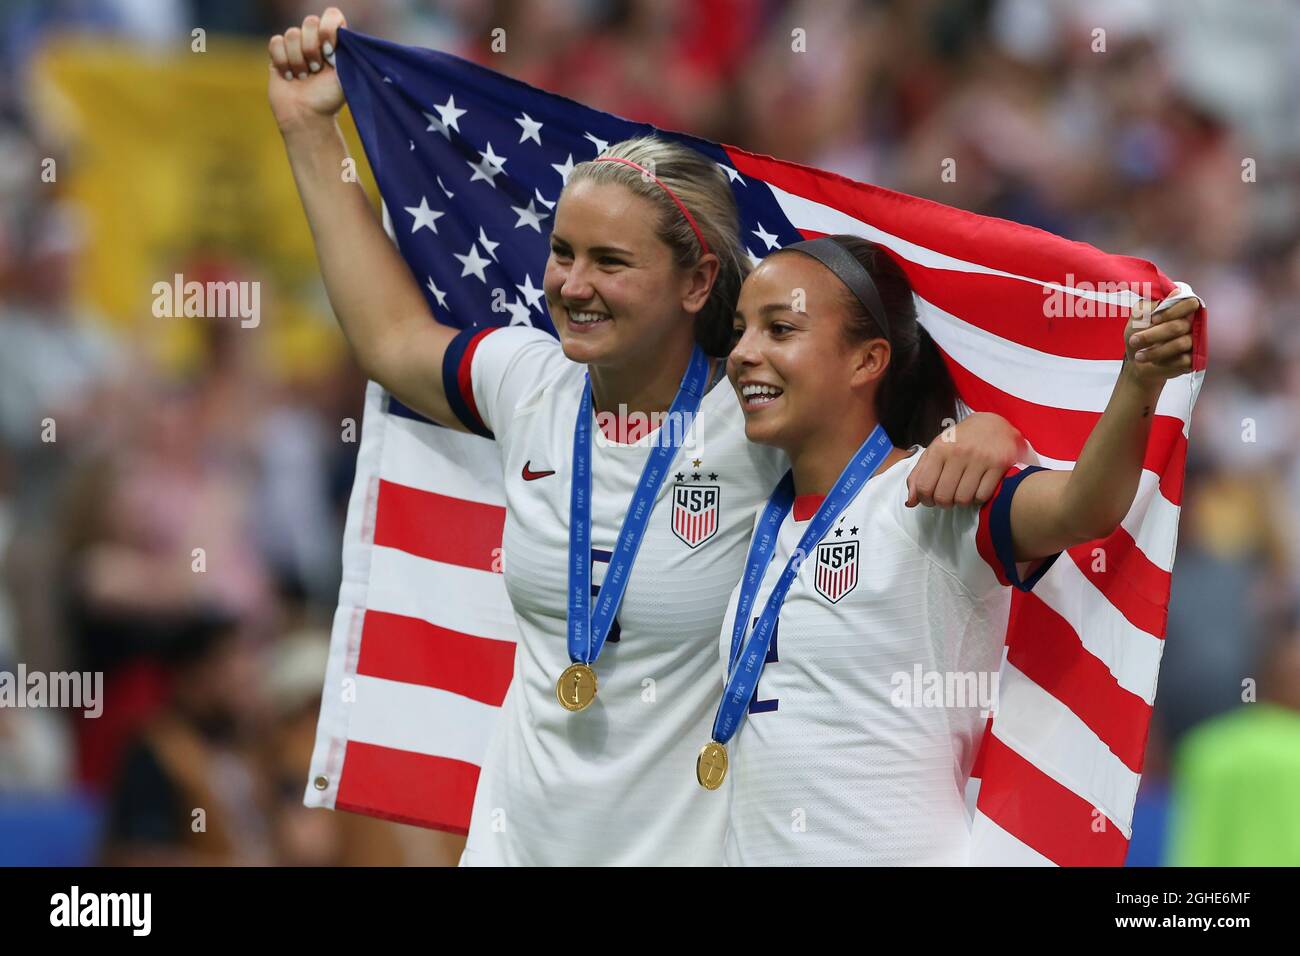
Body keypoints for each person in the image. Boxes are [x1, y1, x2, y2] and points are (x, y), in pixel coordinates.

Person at [267, 9, 1025, 865]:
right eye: (562, 252)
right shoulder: (530, 380)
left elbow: (895, 452)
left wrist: (992, 435)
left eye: (611, 262)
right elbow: (392, 340)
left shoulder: (758, 422)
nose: (572, 285)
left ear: (699, 280)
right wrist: (307, 127)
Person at [701, 234, 1200, 865]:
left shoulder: (930, 496)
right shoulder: (761, 520)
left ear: (867, 361)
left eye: (780, 329)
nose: (744, 353)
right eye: (741, 330)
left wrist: (1136, 385)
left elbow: (1086, 507)